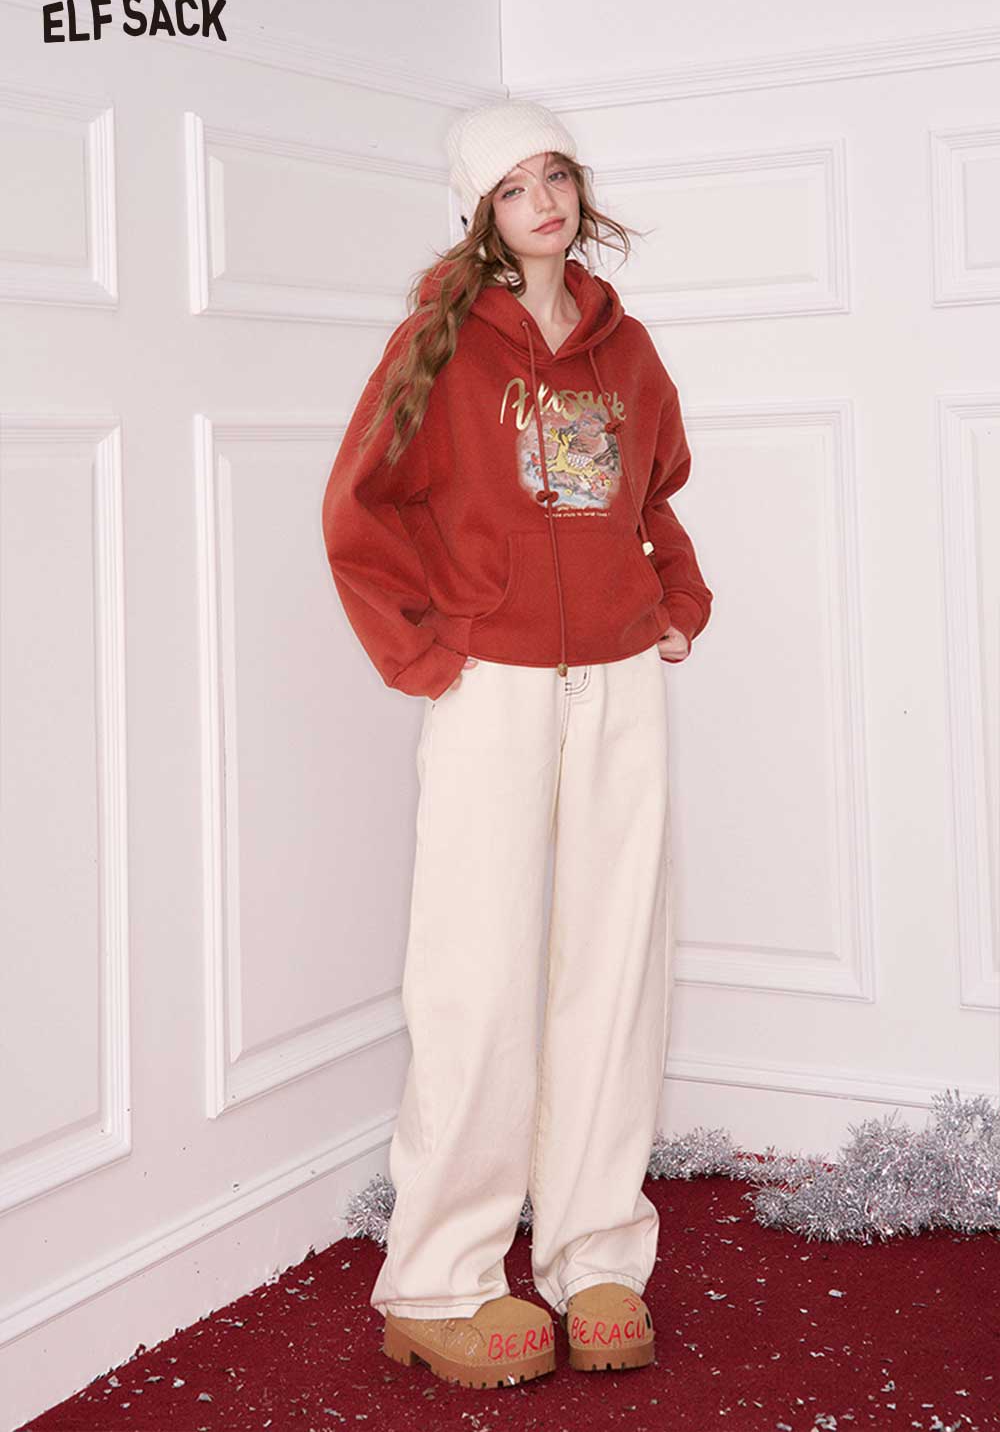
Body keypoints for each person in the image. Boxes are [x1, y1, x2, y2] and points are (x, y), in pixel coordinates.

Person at [321, 99, 714, 1390]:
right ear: (477, 210)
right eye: (512, 186)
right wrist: (426, 656)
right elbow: (360, 512)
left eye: (557, 176)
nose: (543, 201)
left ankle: (596, 1253)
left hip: (621, 683)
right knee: (477, 976)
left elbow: (656, 495)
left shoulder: (627, 347)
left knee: (614, 965)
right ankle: (440, 1279)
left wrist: (675, 603)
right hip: (492, 686)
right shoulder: (438, 346)